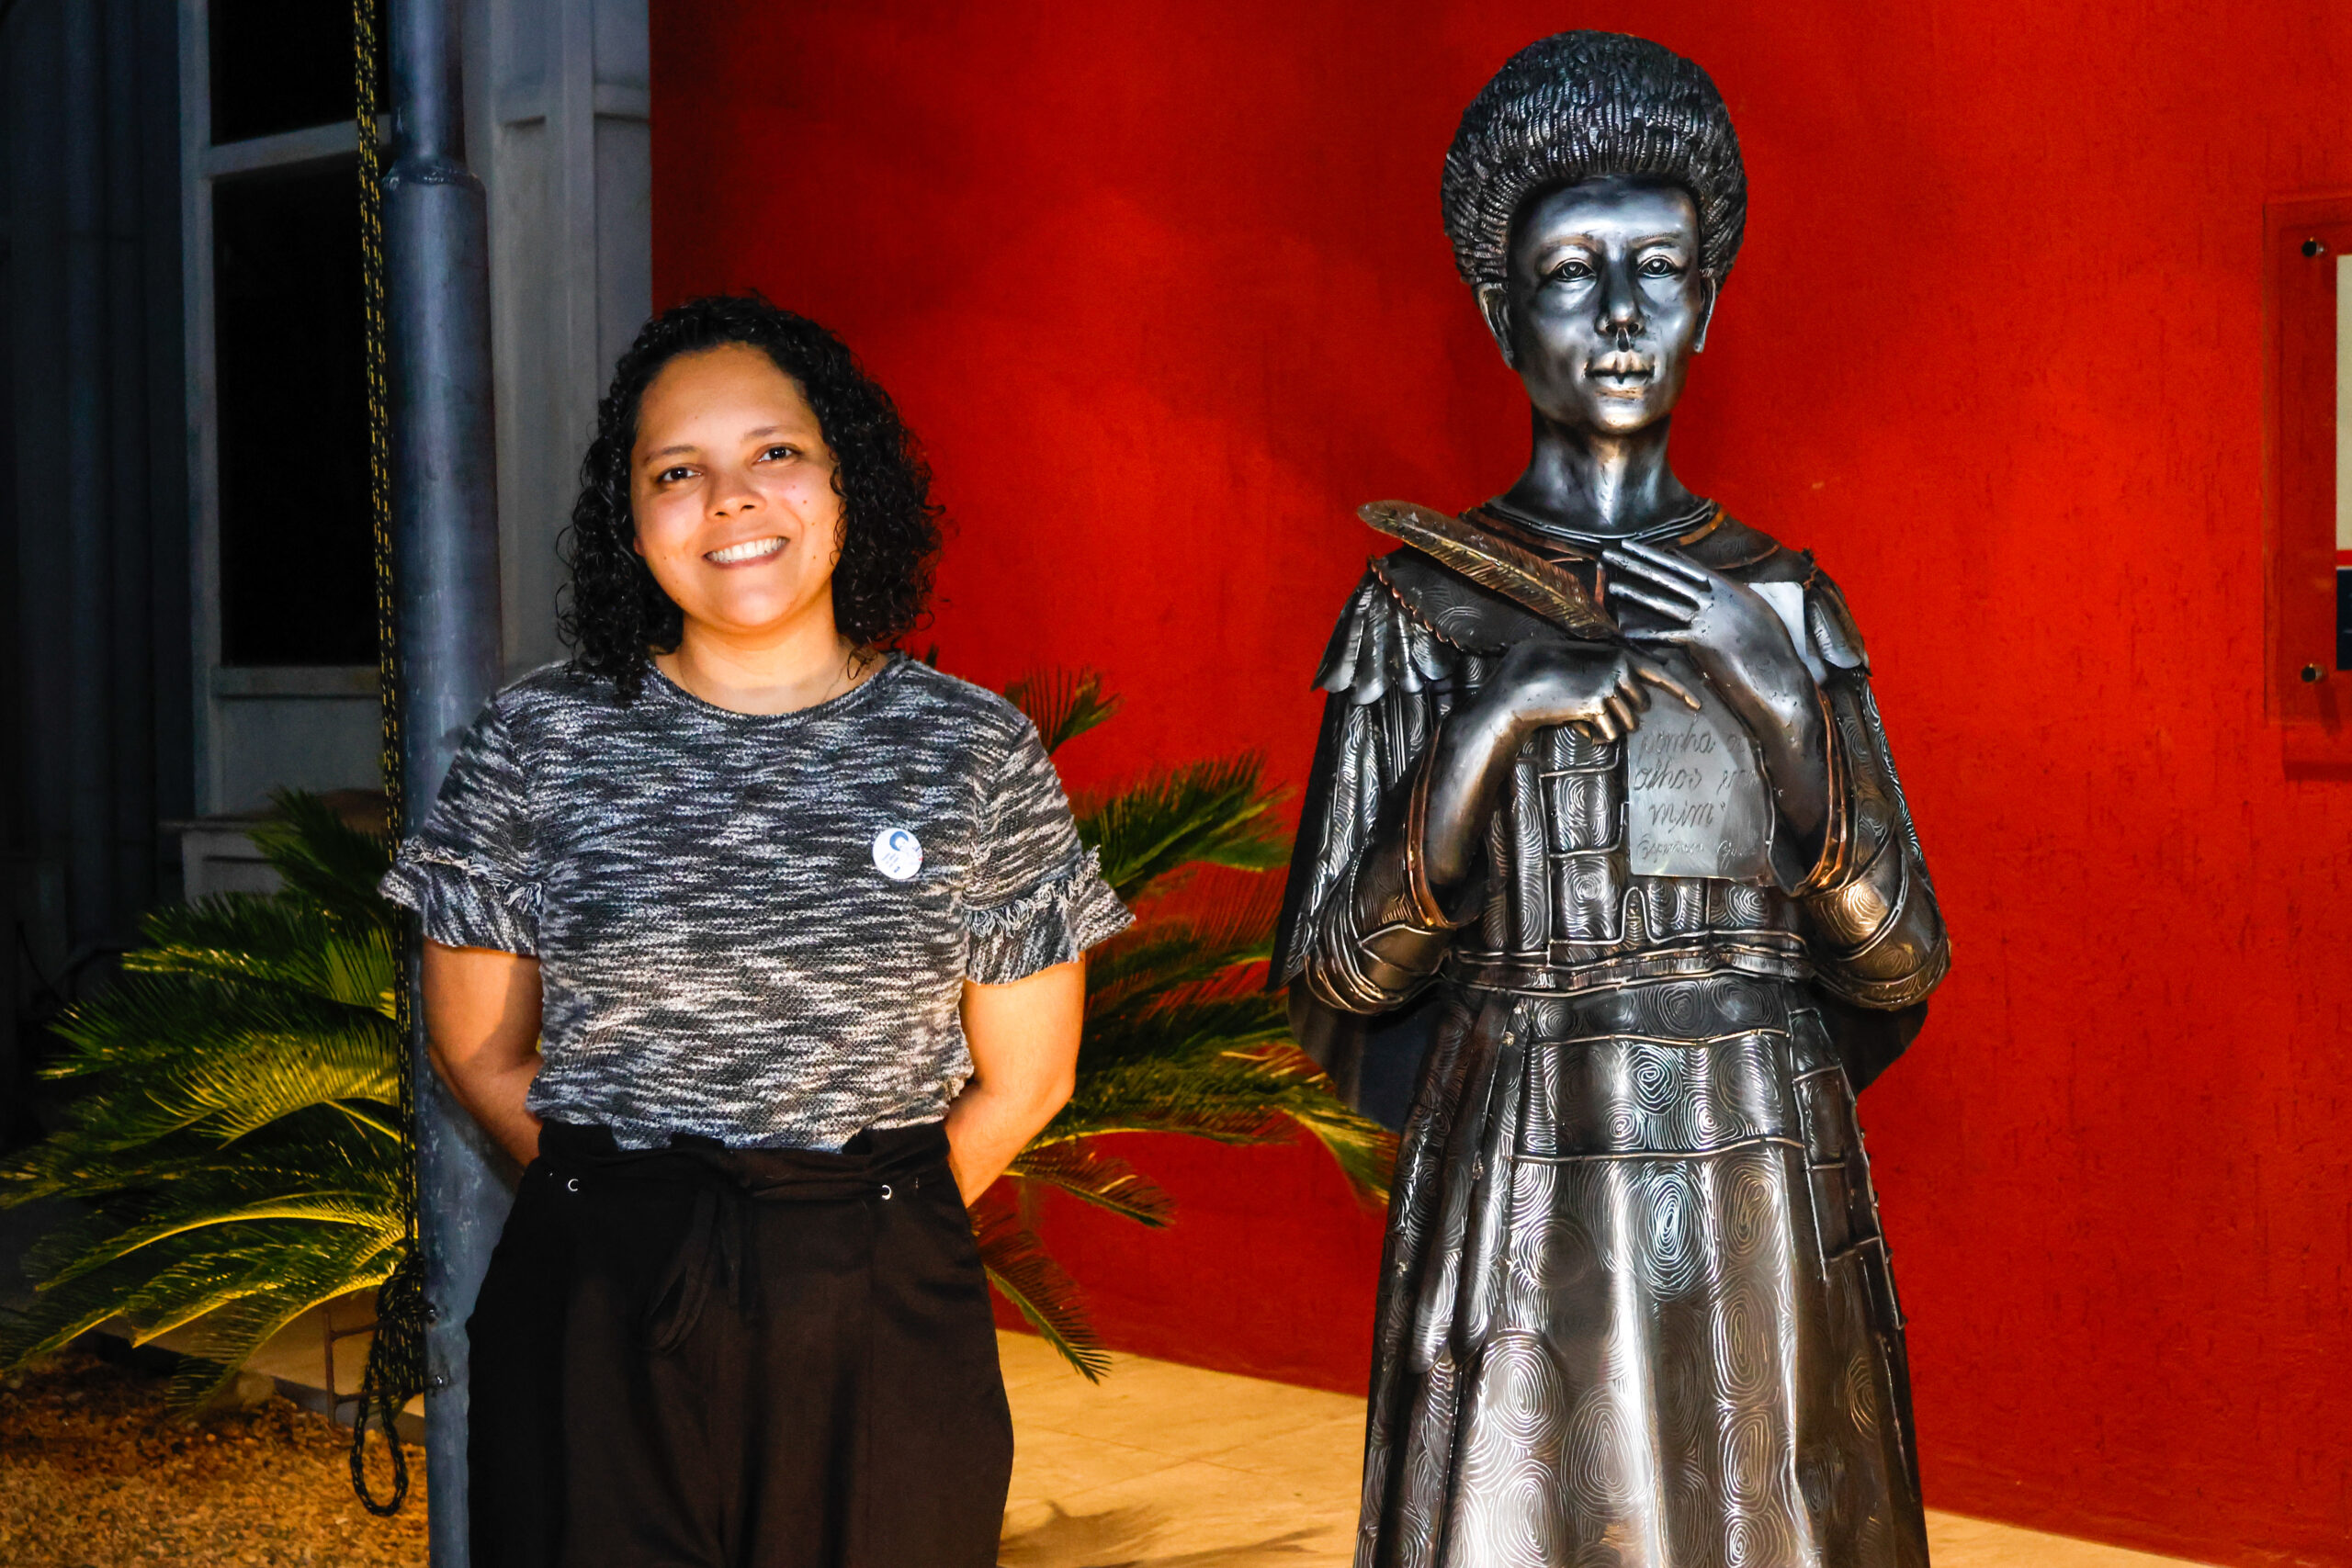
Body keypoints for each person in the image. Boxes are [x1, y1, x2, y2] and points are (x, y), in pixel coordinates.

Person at [1272, 33, 1951, 1567]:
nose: (1625, 314)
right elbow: (1336, 983)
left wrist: (1781, 706)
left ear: (1709, 300)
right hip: (1521, 1175)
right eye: (1574, 272)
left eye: (1662, 268)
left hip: (1764, 1175)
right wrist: (1481, 737)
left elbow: (1904, 957)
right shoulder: (1423, 610)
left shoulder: (1785, 602)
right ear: (1500, 306)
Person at [380, 295, 1128, 1568]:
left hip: (881, 1308)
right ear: (632, 520)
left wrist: (855, 1225)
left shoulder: (971, 750)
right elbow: (479, 1050)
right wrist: (632, 1213)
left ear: (846, 482)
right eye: (677, 472)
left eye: (775, 452)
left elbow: (1031, 1075)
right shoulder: (536, 743)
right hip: (594, 1308)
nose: (731, 500)